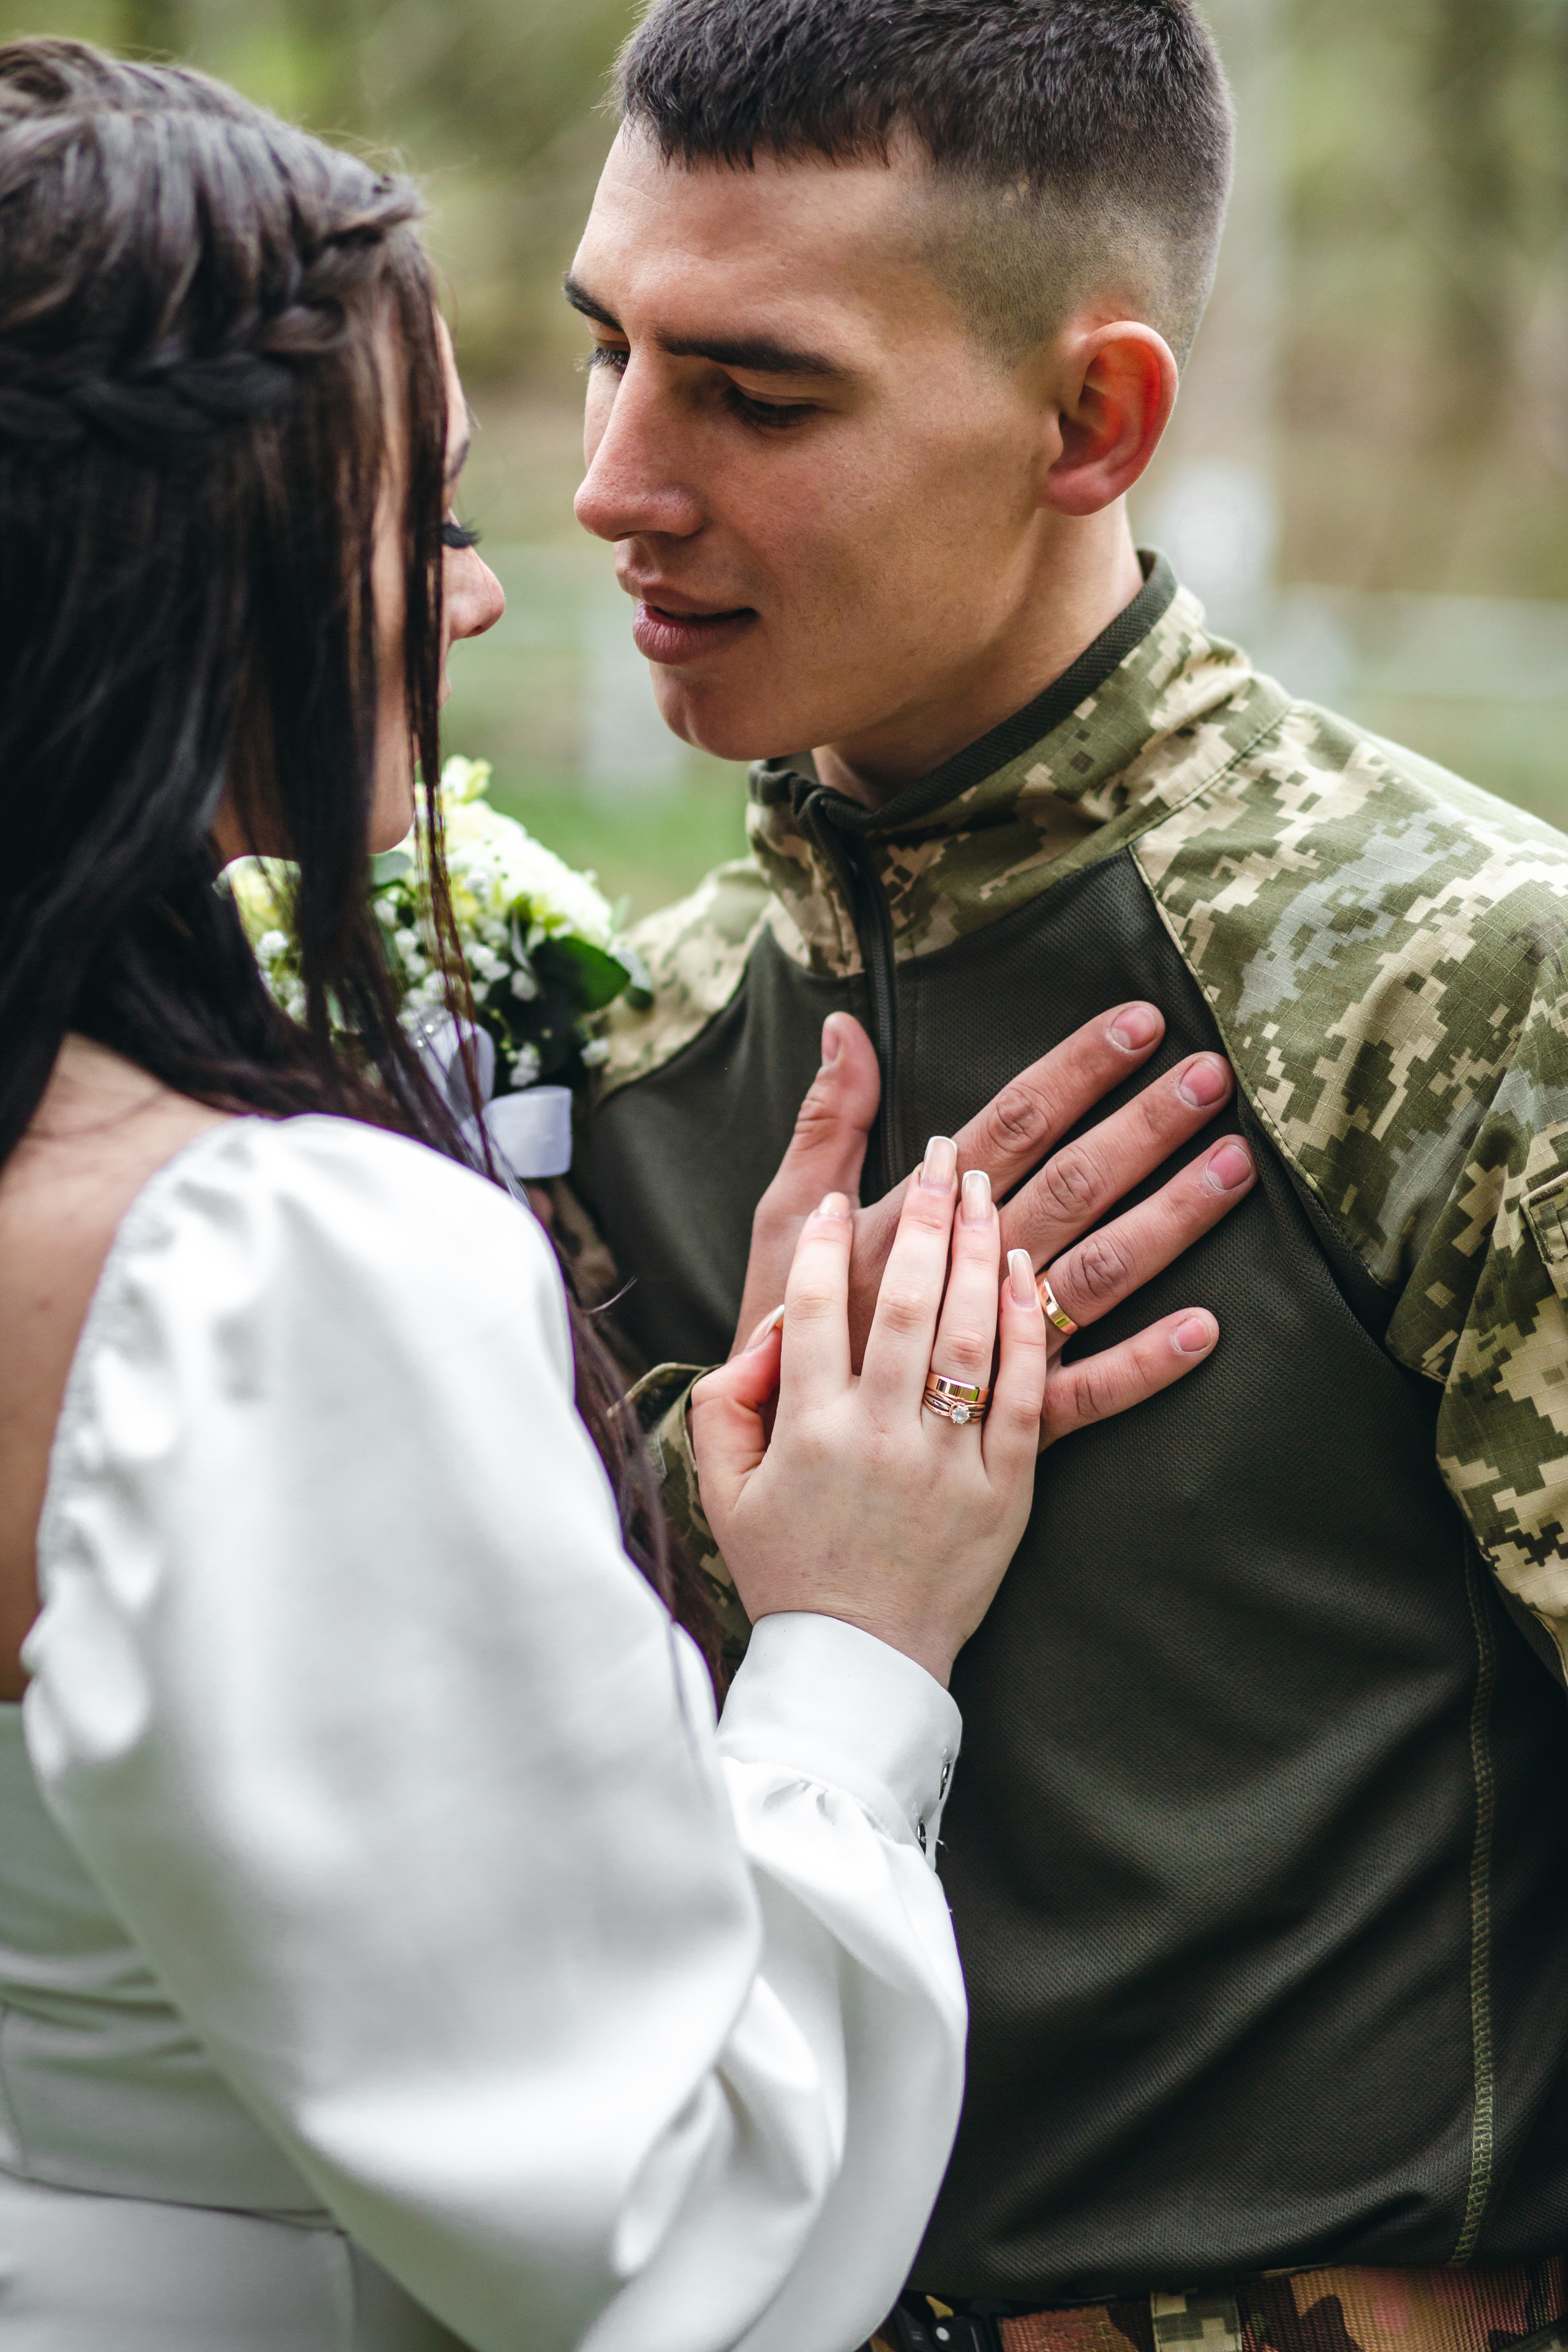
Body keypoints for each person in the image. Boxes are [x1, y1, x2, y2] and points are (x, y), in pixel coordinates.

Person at [0, 38, 1123, 2352]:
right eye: (422, 522)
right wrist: (853, 1644)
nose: (501, 589)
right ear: (166, 574)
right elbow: (663, 2237)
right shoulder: (254, 1270)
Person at [560, 2, 1568, 2347]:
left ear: (1090, 420)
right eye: (608, 350)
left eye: (756, 394)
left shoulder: (1467, 989)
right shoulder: (614, 1046)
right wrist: (705, 1500)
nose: (614, 482)